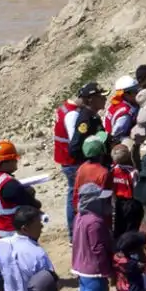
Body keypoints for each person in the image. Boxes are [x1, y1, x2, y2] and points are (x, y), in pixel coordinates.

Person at [70, 182, 116, 291]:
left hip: (81, 268)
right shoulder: (95, 222)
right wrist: (108, 272)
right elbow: (99, 250)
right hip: (94, 270)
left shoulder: (79, 217)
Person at [53, 81, 106, 229]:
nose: (104, 99)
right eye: (100, 96)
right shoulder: (79, 117)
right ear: (90, 99)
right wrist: (89, 158)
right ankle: (75, 231)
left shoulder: (83, 113)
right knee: (77, 197)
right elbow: (75, 145)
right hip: (75, 164)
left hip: (73, 162)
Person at [0, 139, 43, 243]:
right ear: (7, 161)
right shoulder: (10, 185)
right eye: (14, 159)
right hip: (12, 234)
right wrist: (29, 193)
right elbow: (34, 204)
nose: (16, 162)